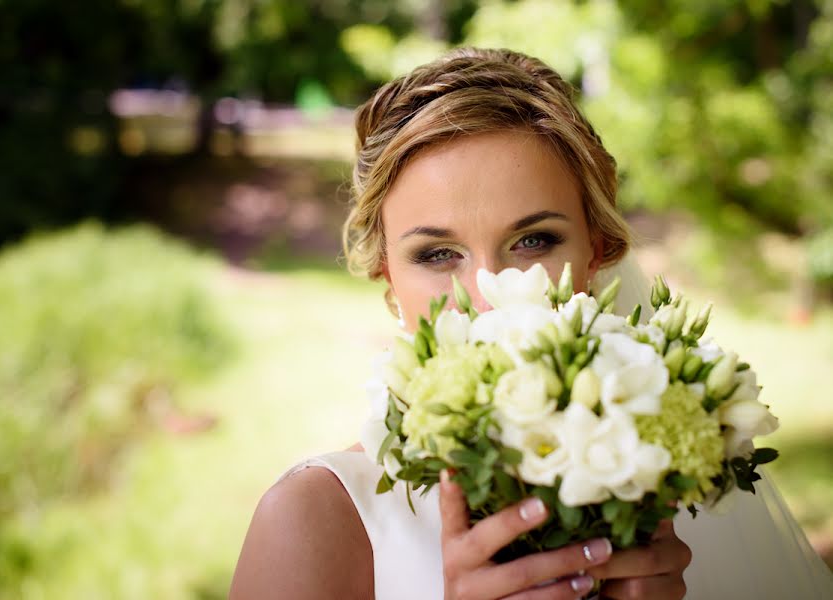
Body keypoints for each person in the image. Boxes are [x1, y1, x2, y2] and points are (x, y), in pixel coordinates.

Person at [229, 47, 833, 599]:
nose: (489, 297)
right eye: (438, 254)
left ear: (597, 251)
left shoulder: (671, 487)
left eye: (533, 241)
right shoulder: (313, 522)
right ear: (388, 273)